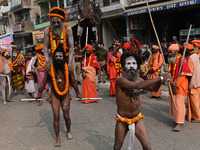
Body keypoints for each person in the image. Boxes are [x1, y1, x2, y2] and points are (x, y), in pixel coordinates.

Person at [114, 52, 171, 150]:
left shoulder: (139, 80)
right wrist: (161, 77)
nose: (131, 66)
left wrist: (161, 80)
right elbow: (137, 86)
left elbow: (154, 89)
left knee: (147, 147)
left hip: (137, 118)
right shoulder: (120, 81)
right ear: (123, 67)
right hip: (122, 119)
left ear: (137, 67)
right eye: (128, 64)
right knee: (117, 146)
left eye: (133, 63)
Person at [36, 46, 81, 147]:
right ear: (53, 57)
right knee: (56, 116)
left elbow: (73, 81)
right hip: (54, 95)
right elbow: (43, 82)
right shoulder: (49, 68)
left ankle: (68, 131)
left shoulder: (68, 68)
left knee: (66, 116)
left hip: (65, 95)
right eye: (56, 56)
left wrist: (78, 93)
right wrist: (39, 94)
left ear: (63, 57)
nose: (58, 58)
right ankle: (58, 138)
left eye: (60, 56)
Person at [167, 44, 192, 131]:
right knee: (174, 102)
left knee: (179, 103)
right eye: (168, 52)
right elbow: (170, 72)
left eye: (171, 52)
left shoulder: (182, 60)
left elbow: (183, 75)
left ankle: (180, 122)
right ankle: (176, 119)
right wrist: (170, 82)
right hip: (172, 83)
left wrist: (175, 84)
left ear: (176, 51)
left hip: (180, 85)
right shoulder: (171, 60)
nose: (169, 54)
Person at [185, 43, 200, 123]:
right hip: (198, 81)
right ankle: (193, 115)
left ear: (187, 50)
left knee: (194, 101)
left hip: (194, 83)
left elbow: (189, 73)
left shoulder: (190, 58)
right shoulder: (197, 56)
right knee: (196, 100)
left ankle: (197, 117)